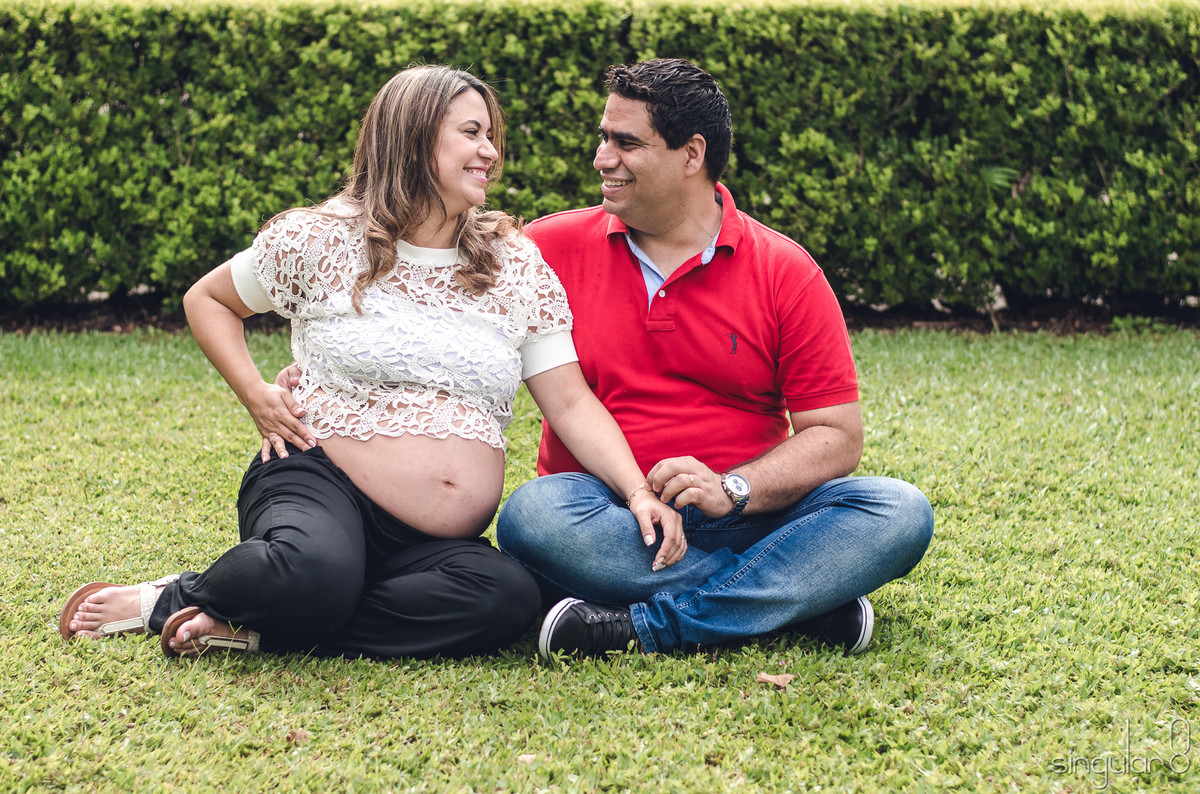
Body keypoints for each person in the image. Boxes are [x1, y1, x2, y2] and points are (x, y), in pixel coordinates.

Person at [58, 64, 679, 660]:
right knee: (314, 571)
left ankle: (263, 630)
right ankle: (174, 597)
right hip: (321, 480)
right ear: (410, 139)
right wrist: (255, 393)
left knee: (507, 598)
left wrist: (634, 490)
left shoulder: (514, 265)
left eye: (492, 135)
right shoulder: (323, 240)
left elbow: (569, 401)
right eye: (471, 132)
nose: (491, 151)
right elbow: (210, 299)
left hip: (431, 543)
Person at [494, 59, 934, 658]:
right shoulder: (544, 250)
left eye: (626, 142)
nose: (601, 158)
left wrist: (734, 488)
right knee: (532, 517)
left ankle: (646, 625)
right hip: (611, 515)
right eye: (603, 138)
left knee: (899, 510)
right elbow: (424, 287)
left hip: (755, 516)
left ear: (691, 154)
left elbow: (836, 437)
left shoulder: (786, 272)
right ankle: (794, 600)